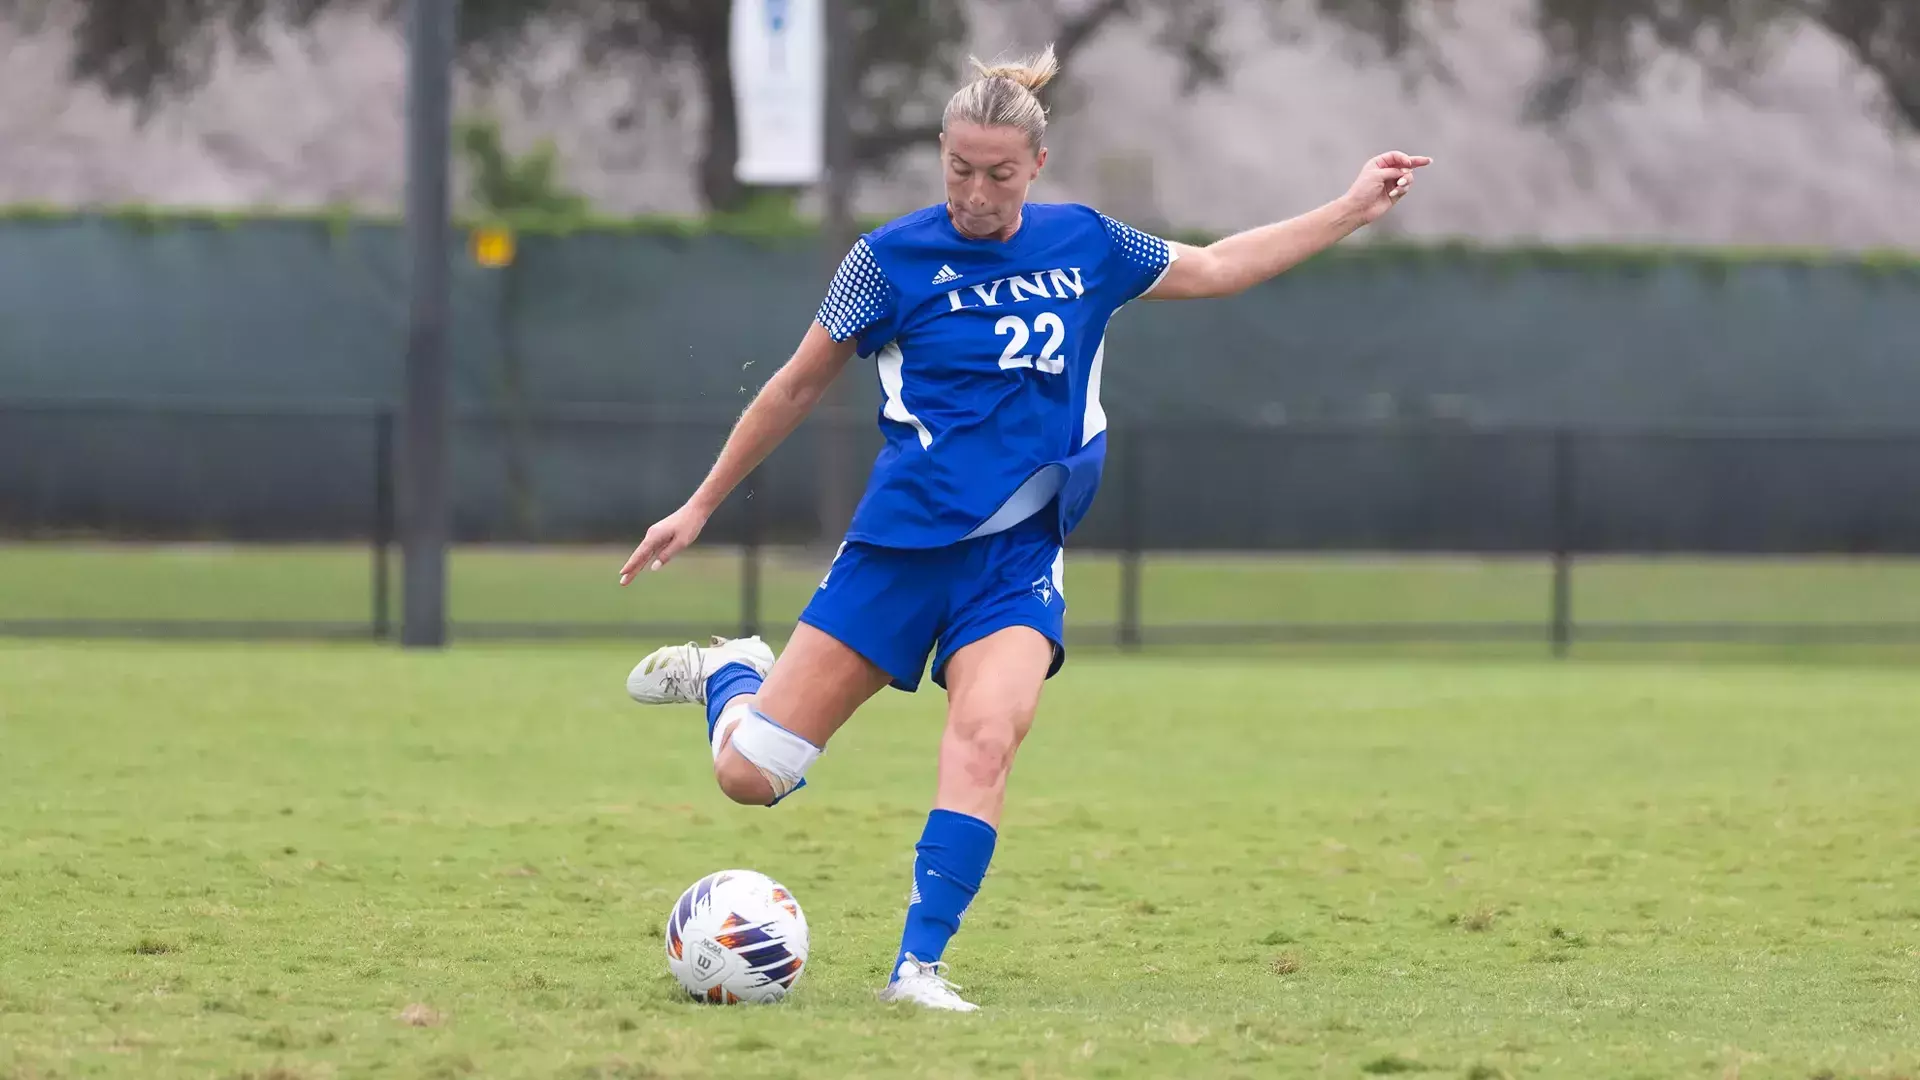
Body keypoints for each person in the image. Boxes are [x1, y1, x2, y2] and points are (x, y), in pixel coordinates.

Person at [618, 45, 1429, 1011]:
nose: (975, 191)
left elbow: (1215, 267)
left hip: (1014, 559)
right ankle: (732, 674)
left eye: (998, 173)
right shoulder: (885, 261)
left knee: (987, 735)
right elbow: (795, 386)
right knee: (751, 778)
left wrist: (1348, 207)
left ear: (1036, 167)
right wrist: (700, 503)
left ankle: (916, 968)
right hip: (900, 550)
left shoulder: (1085, 243)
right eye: (958, 168)